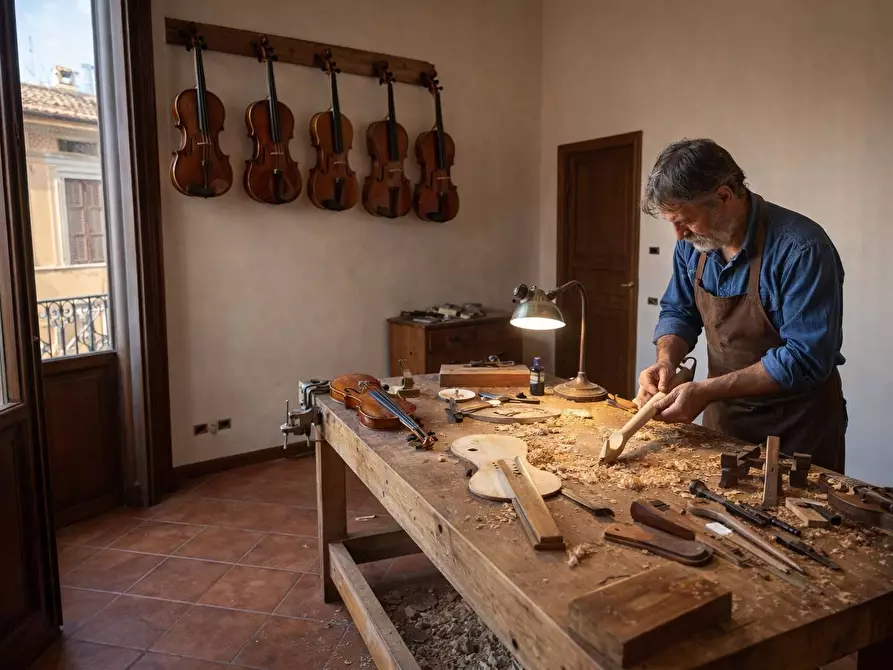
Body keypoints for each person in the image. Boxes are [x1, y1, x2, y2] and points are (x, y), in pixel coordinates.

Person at [636, 138, 846, 471]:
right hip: (725, 420)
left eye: (684, 220)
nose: (678, 235)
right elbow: (679, 311)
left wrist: (705, 390)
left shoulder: (801, 249)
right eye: (671, 222)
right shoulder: (694, 245)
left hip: (798, 431)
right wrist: (666, 361)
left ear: (723, 196)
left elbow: (806, 358)